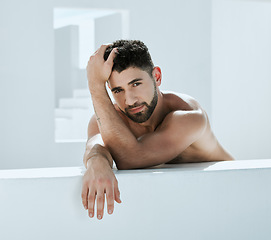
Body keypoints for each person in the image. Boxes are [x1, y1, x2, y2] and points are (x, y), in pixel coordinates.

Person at [81, 40, 234, 220]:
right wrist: (97, 159)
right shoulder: (109, 118)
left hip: (229, 194)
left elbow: (132, 159)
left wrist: (95, 86)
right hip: (177, 209)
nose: (129, 100)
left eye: (136, 84)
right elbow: (95, 144)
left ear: (157, 77)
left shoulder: (189, 116)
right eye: (118, 90)